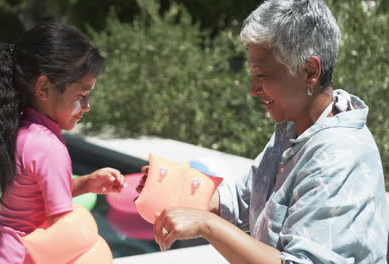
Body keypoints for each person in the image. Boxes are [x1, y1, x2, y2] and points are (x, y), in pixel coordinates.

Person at [137, 0, 389, 263]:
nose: (253, 89)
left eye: (262, 75)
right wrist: (170, 188)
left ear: (309, 71)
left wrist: (207, 225)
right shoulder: (295, 127)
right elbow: (246, 200)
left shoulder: (339, 155)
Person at [0, 23, 126, 263]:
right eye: (82, 96)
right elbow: (63, 236)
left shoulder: (20, 129)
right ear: (44, 88)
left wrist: (86, 183)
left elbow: (34, 199)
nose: (87, 107)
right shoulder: (47, 147)